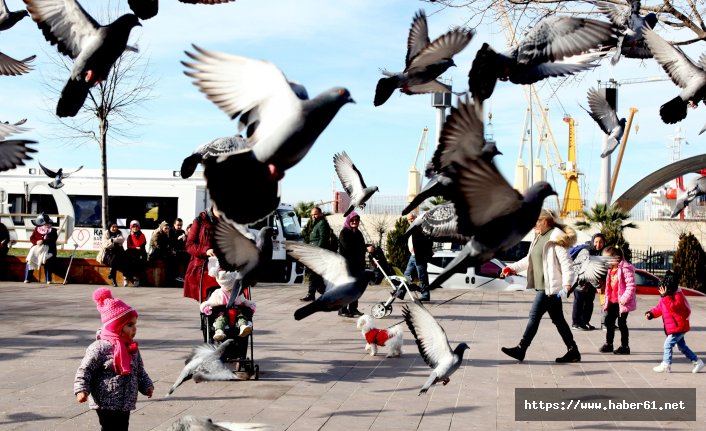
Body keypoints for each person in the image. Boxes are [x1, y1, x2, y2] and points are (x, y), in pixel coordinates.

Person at [500, 209, 580, 363]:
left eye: (536, 221)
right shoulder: (538, 237)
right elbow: (529, 260)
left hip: (550, 289)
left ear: (545, 221)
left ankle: (521, 349)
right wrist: (511, 269)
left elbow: (566, 263)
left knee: (534, 316)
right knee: (558, 320)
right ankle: (573, 350)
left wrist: (567, 283)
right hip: (545, 287)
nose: (533, 225)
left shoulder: (556, 238)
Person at [74, 288, 153, 431]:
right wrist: (82, 390)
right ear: (116, 327)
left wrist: (146, 385)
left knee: (122, 427)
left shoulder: (131, 348)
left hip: (126, 400)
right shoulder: (99, 347)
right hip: (105, 400)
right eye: (129, 325)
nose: (134, 329)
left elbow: (139, 370)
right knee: (109, 427)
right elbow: (85, 370)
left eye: (135, 324)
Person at [646, 270, 705, 373]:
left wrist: (665, 296)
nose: (661, 292)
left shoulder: (678, 295)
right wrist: (651, 314)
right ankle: (697, 361)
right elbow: (660, 308)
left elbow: (673, 306)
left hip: (679, 326)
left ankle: (666, 364)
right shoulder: (666, 296)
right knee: (682, 347)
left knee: (667, 344)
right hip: (674, 326)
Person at [200, 257, 256, 339]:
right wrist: (206, 306)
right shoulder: (218, 294)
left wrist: (250, 304)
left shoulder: (239, 293)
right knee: (220, 320)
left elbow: (243, 301)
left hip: (237, 314)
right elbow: (211, 302)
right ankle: (219, 331)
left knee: (242, 317)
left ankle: (243, 327)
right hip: (222, 314)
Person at [599, 246, 636, 355]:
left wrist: (625, 298)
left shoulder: (625, 268)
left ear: (616, 258)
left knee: (621, 323)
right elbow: (609, 287)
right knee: (608, 322)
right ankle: (609, 344)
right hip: (612, 301)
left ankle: (625, 346)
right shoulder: (610, 270)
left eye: (607, 260)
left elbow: (631, 285)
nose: (605, 262)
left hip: (622, 303)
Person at [571, 233, 606, 331]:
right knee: (579, 302)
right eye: (596, 242)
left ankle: (585, 322)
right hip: (580, 281)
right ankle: (576, 323)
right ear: (592, 241)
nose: (598, 244)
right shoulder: (587, 251)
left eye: (601, 242)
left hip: (590, 284)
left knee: (589, 303)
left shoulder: (598, 252)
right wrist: (598, 286)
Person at [184, 207, 219, 301]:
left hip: (224, 269)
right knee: (210, 304)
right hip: (204, 269)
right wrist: (206, 250)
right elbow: (189, 245)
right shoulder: (200, 220)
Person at [337, 212, 366, 318]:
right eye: (352, 220)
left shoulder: (358, 233)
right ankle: (342, 309)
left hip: (358, 265)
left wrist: (368, 247)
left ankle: (353, 308)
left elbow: (361, 247)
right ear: (348, 221)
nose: (354, 222)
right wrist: (363, 248)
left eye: (356, 220)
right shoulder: (344, 233)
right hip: (347, 266)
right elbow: (348, 248)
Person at [300, 206, 332, 302]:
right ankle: (316, 293)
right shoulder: (316, 223)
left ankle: (315, 293)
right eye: (312, 214)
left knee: (314, 274)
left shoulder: (322, 223)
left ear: (321, 214)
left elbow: (323, 239)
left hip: (318, 253)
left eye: (315, 214)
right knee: (315, 275)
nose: (314, 216)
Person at [403, 213, 433, 301]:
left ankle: (425, 295)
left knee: (422, 276)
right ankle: (402, 292)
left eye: (412, 218)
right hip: (412, 256)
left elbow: (429, 240)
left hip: (420, 256)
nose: (411, 220)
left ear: (416, 218)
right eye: (409, 219)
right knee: (406, 275)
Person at [24, 213, 58, 284]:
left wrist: (43, 241)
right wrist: (36, 242)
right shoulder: (37, 229)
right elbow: (32, 238)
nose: (47, 225)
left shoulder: (53, 231)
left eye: (48, 224)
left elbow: (53, 240)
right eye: (45, 224)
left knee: (47, 260)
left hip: (49, 251)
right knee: (29, 260)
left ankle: (48, 279)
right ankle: (27, 278)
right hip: (37, 249)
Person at [98, 223, 125, 287]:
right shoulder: (106, 233)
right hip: (107, 253)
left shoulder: (119, 232)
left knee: (115, 259)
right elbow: (106, 245)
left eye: (116, 227)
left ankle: (113, 279)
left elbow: (122, 239)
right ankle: (113, 280)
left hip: (117, 252)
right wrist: (115, 243)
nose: (115, 228)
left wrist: (112, 240)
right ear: (109, 227)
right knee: (114, 260)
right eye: (113, 227)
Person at [123, 220, 147, 287]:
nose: (135, 228)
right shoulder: (129, 236)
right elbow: (129, 246)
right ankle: (126, 277)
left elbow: (138, 243)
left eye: (137, 226)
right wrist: (135, 247)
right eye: (133, 227)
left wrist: (133, 235)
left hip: (140, 252)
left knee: (137, 261)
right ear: (131, 228)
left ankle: (136, 278)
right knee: (126, 259)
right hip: (132, 251)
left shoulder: (142, 235)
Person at [169, 217, 188, 283]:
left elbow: (184, 244)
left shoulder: (182, 232)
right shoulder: (170, 231)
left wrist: (185, 240)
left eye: (181, 225)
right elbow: (170, 242)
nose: (180, 226)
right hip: (172, 250)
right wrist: (178, 239)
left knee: (187, 256)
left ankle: (186, 275)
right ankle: (176, 276)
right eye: (178, 225)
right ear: (174, 224)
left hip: (180, 250)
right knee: (176, 256)